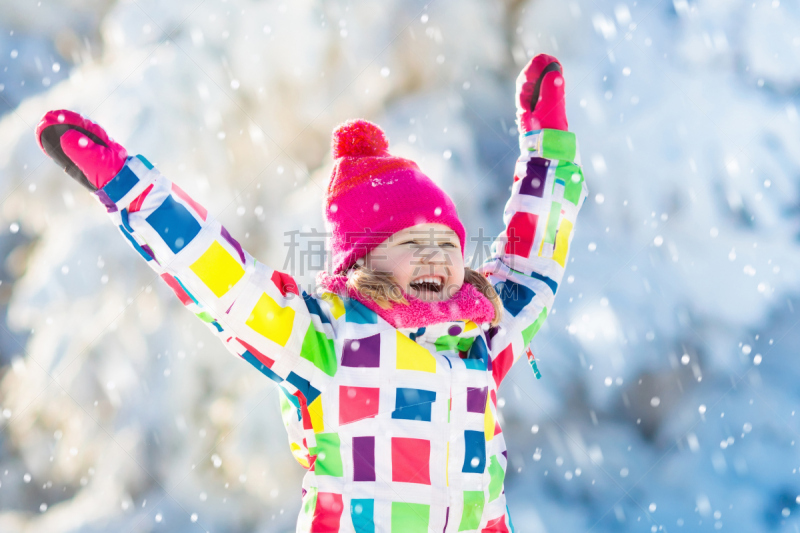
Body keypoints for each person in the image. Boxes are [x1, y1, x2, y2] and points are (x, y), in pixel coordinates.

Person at [35, 53, 587, 533]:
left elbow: (531, 265)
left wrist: (549, 155)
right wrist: (127, 189)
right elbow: (228, 284)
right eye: (413, 241)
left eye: (448, 242)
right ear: (364, 262)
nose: (437, 255)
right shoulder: (328, 340)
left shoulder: (479, 336)